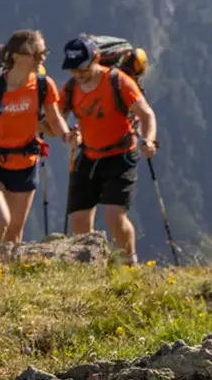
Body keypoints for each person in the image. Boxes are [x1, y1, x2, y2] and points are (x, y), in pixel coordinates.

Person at [0, 30, 68, 245]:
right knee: (1, 222)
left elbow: (55, 120)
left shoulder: (44, 86)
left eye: (43, 53)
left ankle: (2, 275)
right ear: (16, 56)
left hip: (26, 162)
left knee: (14, 235)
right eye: (36, 54)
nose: (42, 58)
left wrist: (67, 135)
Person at [61, 35, 157, 263]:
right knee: (78, 219)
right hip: (89, 154)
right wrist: (67, 133)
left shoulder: (119, 81)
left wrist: (149, 140)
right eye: (73, 70)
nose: (78, 74)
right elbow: (55, 119)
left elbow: (146, 114)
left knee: (114, 216)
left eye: (82, 69)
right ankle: (89, 269)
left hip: (121, 154)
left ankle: (129, 262)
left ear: (95, 58)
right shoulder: (72, 87)